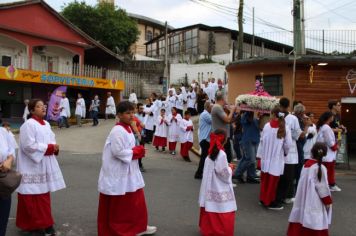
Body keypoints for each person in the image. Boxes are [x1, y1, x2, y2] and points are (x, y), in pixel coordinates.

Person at [97, 101, 157, 236]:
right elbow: (118, 151)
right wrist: (137, 152)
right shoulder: (117, 130)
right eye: (128, 113)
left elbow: (135, 142)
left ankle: (138, 226)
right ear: (119, 115)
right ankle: (124, 229)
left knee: (136, 202)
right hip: (119, 172)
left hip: (130, 170)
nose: (131, 116)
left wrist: (136, 133)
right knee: (122, 205)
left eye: (133, 112)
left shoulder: (128, 127)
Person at [16, 99, 66, 235]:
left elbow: (51, 139)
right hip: (31, 166)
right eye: (38, 106)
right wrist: (49, 148)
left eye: (43, 105)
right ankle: (35, 226)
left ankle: (46, 223)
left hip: (43, 164)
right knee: (31, 197)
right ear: (32, 110)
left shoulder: (46, 124)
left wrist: (54, 147)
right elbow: (28, 146)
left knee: (43, 196)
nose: (43, 108)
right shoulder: (28, 125)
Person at [287, 142, 332, 236]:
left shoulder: (306, 165)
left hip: (302, 197)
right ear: (324, 154)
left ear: (312, 152)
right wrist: (327, 201)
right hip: (314, 200)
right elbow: (322, 187)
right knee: (314, 219)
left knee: (301, 216)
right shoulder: (320, 168)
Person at [198, 129, 237, 236]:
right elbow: (224, 174)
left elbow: (216, 168)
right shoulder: (222, 154)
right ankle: (220, 230)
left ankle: (208, 229)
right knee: (222, 207)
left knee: (210, 207)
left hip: (209, 187)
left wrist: (226, 166)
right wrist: (230, 169)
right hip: (218, 186)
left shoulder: (211, 152)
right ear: (224, 140)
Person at [258, 106, 292, 210]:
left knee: (265, 180)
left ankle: (263, 199)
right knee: (273, 182)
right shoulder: (285, 127)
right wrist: (285, 153)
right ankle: (270, 202)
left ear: (273, 114)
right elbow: (288, 144)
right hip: (276, 159)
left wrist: (260, 156)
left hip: (266, 157)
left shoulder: (267, 126)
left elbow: (262, 141)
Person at [276, 98, 306, 205]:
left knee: (281, 174)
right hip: (289, 149)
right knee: (289, 175)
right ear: (289, 106)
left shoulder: (277, 116)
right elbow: (299, 135)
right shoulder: (292, 118)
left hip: (279, 149)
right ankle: (286, 196)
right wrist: (306, 126)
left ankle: (280, 195)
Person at [316, 112, 341, 192]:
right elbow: (329, 140)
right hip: (328, 153)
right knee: (328, 171)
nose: (333, 117)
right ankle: (329, 185)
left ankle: (330, 184)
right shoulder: (326, 127)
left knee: (328, 170)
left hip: (326, 152)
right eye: (332, 116)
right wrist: (335, 147)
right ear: (329, 117)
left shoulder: (324, 126)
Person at [234, 111, 260, 184]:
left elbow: (260, 127)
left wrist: (261, 116)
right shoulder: (245, 115)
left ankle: (250, 176)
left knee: (248, 159)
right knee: (250, 159)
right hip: (248, 140)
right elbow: (248, 120)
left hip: (255, 140)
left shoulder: (254, 118)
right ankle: (237, 173)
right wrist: (251, 113)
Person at [0, 124, 15, 236]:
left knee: (2, 217)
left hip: (2, 180)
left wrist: (9, 160)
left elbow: (11, 151)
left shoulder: (4, 132)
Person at [211, 94, 235, 163]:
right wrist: (232, 110)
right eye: (226, 99)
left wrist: (229, 111)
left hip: (222, 137)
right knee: (225, 159)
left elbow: (228, 120)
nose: (227, 101)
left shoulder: (219, 107)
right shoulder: (217, 107)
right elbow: (227, 120)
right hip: (220, 138)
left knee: (226, 158)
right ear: (222, 99)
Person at [194, 101, 212, 179]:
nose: (212, 108)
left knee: (206, 157)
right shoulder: (205, 114)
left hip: (206, 139)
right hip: (205, 139)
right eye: (211, 107)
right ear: (207, 107)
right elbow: (213, 120)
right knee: (204, 157)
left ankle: (202, 173)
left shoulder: (206, 114)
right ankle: (198, 173)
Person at [133, 103, 146, 172]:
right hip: (135, 135)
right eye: (140, 108)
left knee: (141, 150)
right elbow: (136, 126)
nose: (142, 110)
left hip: (142, 134)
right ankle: (136, 165)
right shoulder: (134, 116)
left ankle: (140, 164)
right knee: (135, 150)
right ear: (137, 109)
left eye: (142, 108)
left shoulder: (144, 115)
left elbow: (144, 125)